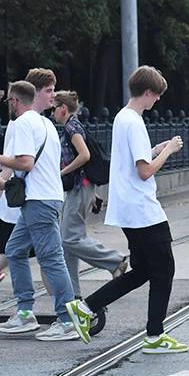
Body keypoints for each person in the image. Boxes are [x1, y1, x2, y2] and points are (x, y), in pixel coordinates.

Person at [66, 66, 189, 352]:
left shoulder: (123, 118)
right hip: (142, 209)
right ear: (148, 92)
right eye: (156, 96)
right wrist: (168, 151)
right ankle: (154, 336)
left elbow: (135, 160)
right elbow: (144, 172)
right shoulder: (134, 122)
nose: (157, 101)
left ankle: (87, 307)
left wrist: (154, 149)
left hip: (128, 209)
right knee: (164, 270)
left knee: (143, 270)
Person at [0, 80, 79, 341]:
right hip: (41, 198)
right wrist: (4, 183)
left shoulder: (24, 123)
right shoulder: (45, 123)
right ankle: (25, 312)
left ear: (14, 101)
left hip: (40, 201)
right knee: (14, 250)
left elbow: (26, 163)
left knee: (51, 258)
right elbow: (40, 167)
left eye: (8, 103)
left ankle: (68, 319)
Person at [52, 91, 126, 297]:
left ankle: (114, 260)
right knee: (67, 240)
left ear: (63, 109)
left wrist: (61, 172)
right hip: (81, 188)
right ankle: (73, 292)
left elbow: (85, 155)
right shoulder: (73, 126)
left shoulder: (72, 127)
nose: (52, 113)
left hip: (79, 188)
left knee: (70, 239)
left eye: (54, 108)